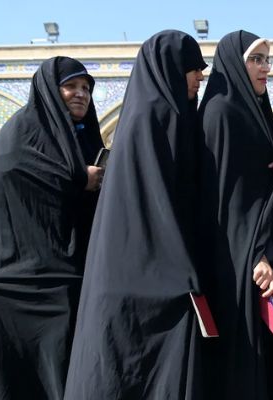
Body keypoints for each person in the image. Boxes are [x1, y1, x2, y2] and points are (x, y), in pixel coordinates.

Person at [63, 30, 208, 399]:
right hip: (137, 273)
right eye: (194, 68)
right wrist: (182, 268)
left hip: (151, 267)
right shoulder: (151, 117)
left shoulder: (172, 115)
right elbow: (156, 201)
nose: (200, 76)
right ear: (173, 69)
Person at [0, 56, 104, 399]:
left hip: (72, 273)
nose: (81, 95)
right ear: (49, 90)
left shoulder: (82, 138)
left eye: (86, 88)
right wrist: (75, 178)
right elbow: (7, 170)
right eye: (71, 86)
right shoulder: (22, 133)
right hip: (20, 277)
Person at [199, 30, 273, 399]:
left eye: (267, 60)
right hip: (235, 260)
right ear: (236, 64)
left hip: (259, 251)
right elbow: (221, 200)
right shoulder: (221, 113)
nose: (264, 68)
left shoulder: (255, 111)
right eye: (255, 60)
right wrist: (255, 255)